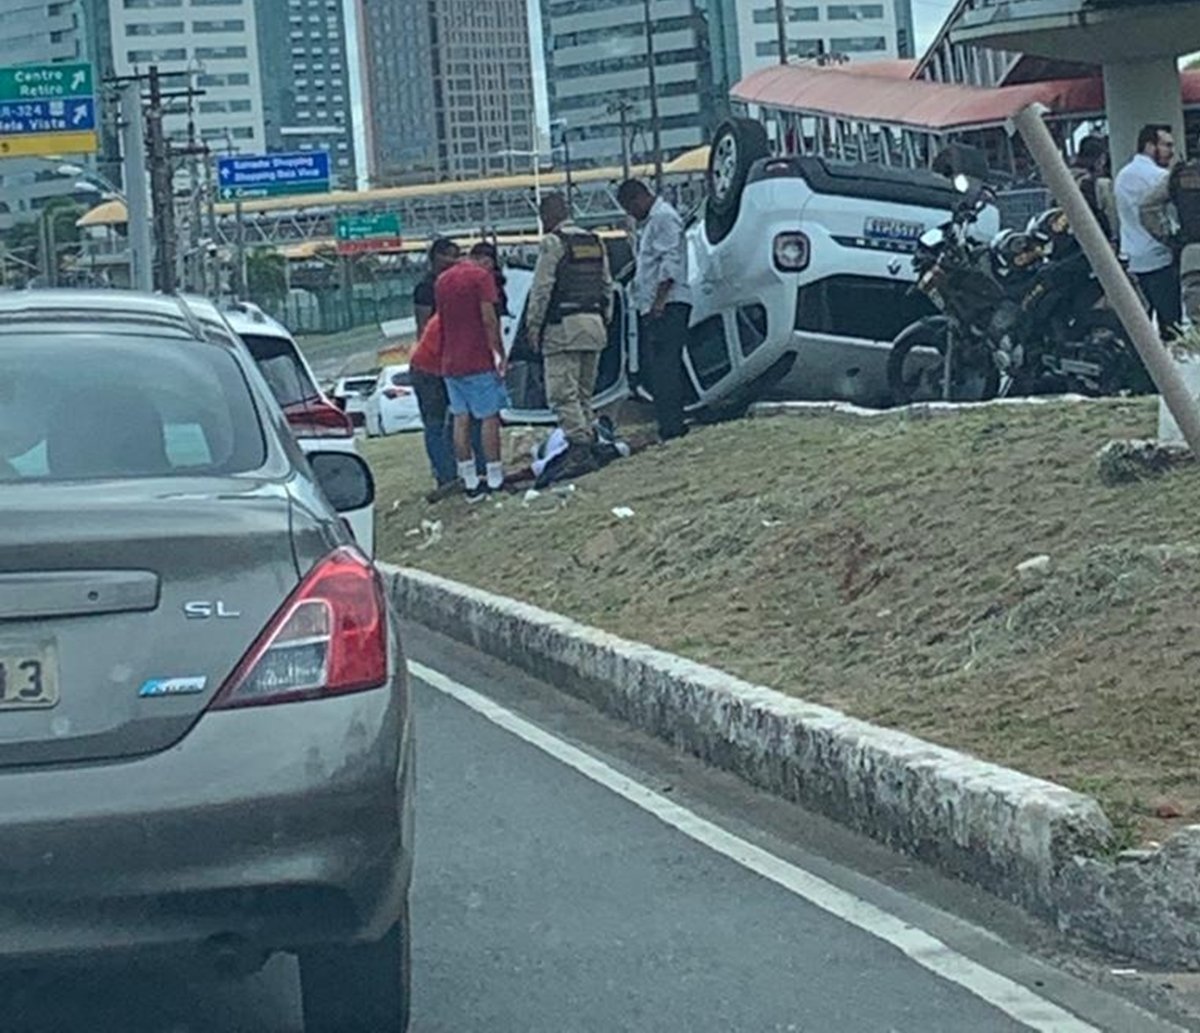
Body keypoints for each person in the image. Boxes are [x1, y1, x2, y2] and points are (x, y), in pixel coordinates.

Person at [525, 192, 613, 475]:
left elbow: (541, 290)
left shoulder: (553, 243)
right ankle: (592, 441)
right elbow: (606, 286)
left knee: (563, 394)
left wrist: (533, 327)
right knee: (584, 394)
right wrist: (605, 320)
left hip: (562, 328)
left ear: (547, 216)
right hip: (594, 326)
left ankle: (579, 448)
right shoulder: (595, 242)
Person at [616, 178, 690, 441]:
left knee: (665, 367)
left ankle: (672, 426)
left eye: (629, 207)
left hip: (668, 303)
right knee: (661, 367)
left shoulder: (663, 219)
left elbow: (670, 261)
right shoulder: (650, 223)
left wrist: (659, 301)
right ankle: (670, 421)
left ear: (639, 198)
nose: (631, 214)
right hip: (655, 304)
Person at [435, 241, 507, 501]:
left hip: (450, 360)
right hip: (477, 358)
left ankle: (469, 480)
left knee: (460, 418)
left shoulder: (442, 280)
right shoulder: (481, 277)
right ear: (483, 260)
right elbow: (489, 319)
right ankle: (495, 476)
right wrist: (499, 353)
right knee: (489, 418)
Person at [1115, 123, 1181, 338]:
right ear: (1150, 146)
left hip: (1133, 259)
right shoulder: (1160, 177)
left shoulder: (1122, 176)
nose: (1171, 152)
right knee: (1172, 327)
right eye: (1167, 145)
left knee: (1140, 330)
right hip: (1160, 258)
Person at [1070, 135, 1117, 242]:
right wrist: (1114, 238)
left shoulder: (1065, 179)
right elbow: (1111, 215)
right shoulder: (1102, 183)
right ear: (1102, 159)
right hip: (1096, 239)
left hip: (1068, 240)